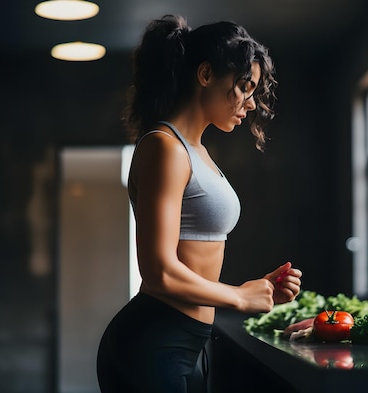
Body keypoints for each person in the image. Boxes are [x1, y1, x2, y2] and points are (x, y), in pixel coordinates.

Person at [96, 15, 302, 393]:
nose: (251, 102)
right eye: (244, 86)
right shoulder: (164, 147)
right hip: (153, 342)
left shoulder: (197, 152)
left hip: (191, 343)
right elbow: (159, 272)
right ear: (205, 74)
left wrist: (261, 289)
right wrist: (239, 296)